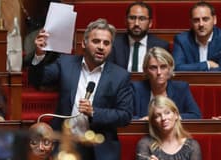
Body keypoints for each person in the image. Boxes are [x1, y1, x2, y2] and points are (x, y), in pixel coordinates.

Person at [30, 18, 133, 160]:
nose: (101, 47)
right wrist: (39, 54)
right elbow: (38, 80)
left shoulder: (120, 76)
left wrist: (94, 112)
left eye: (106, 43)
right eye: (96, 41)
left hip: (99, 148)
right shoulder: (66, 63)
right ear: (84, 43)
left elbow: (125, 116)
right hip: (65, 144)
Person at [132, 47, 201, 120]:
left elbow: (196, 115)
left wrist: (172, 118)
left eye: (163, 67)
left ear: (170, 68)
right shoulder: (135, 89)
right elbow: (126, 116)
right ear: (146, 70)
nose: (159, 72)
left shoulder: (181, 88)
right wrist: (143, 120)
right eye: (153, 68)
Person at [172, 1, 221, 71]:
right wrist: (207, 64)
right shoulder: (181, 40)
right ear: (191, 22)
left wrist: (194, 69)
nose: (201, 24)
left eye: (205, 19)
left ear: (214, 20)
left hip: (218, 81)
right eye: (196, 20)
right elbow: (177, 68)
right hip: (189, 81)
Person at [108, 1, 169, 72]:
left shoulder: (161, 46)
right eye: (132, 18)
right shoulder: (114, 44)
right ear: (125, 21)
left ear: (150, 23)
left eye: (142, 19)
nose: (136, 23)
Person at [136, 96, 202, 160]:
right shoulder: (145, 144)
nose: (163, 118)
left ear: (176, 115)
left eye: (167, 113)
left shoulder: (192, 146)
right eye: (157, 116)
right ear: (153, 122)